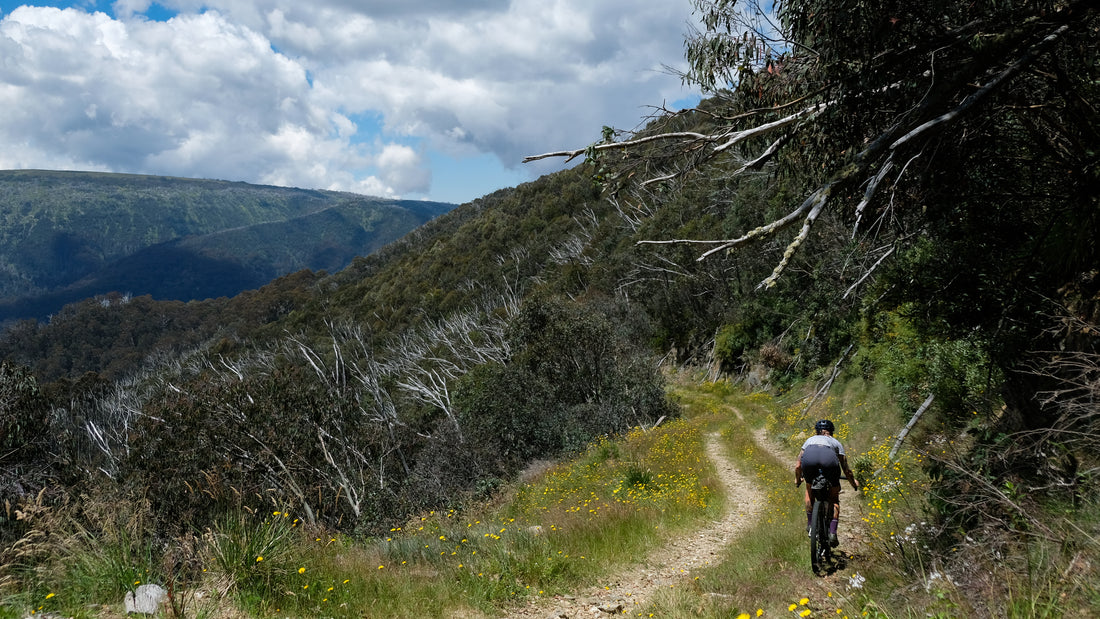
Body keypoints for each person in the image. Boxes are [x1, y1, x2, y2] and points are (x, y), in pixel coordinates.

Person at [795, 419, 859, 547]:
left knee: (809, 491)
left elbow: (798, 465)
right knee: (834, 498)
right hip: (829, 460)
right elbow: (846, 469)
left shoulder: (809, 440)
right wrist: (853, 483)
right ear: (831, 432)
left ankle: (810, 525)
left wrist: (798, 480)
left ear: (817, 431)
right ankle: (832, 533)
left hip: (810, 459)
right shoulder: (836, 443)